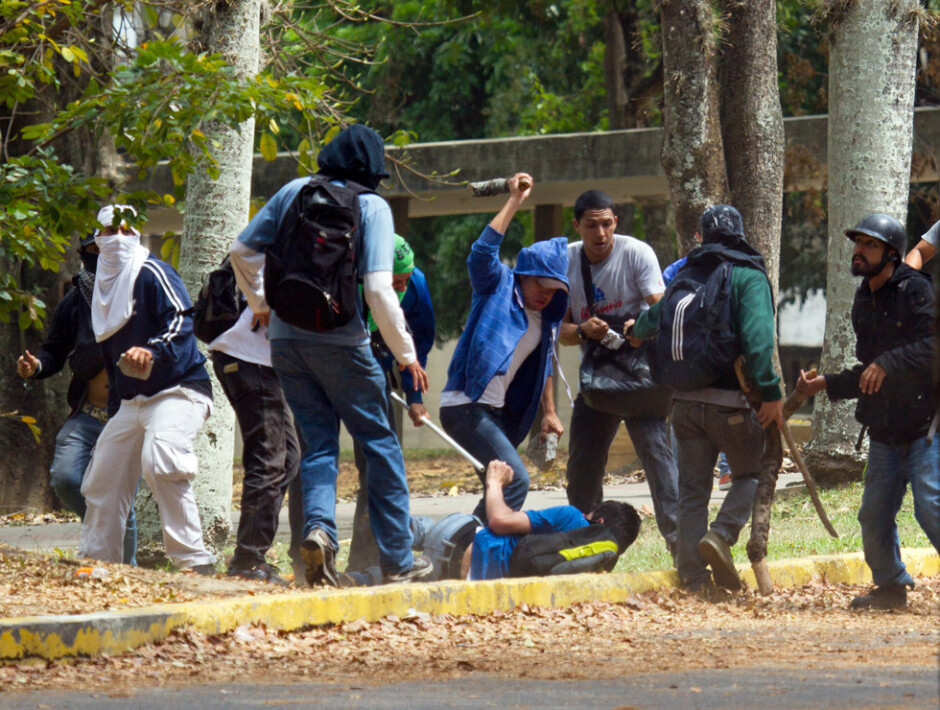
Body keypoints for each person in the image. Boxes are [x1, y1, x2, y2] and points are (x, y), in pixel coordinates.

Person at [229, 124, 432, 587]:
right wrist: (405, 354)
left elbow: (241, 250)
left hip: (285, 341)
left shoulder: (293, 191)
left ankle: (320, 532)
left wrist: (262, 305)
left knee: (319, 445)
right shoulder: (372, 206)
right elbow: (380, 289)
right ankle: (400, 559)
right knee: (379, 445)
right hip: (342, 342)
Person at [627, 204, 782, 592]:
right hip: (730, 405)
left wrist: (633, 330)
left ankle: (694, 579)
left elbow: (648, 324)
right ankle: (722, 534)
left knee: (693, 491)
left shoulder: (684, 277)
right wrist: (771, 395)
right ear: (741, 235)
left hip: (682, 406)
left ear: (700, 238)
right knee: (751, 473)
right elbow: (760, 344)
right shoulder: (747, 275)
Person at [798, 213, 938, 610]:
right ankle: (891, 587)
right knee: (873, 515)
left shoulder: (916, 291)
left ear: (892, 254)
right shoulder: (863, 298)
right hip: (883, 430)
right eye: (857, 243)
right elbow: (869, 370)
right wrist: (823, 383)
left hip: (926, 426)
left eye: (869, 245)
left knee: (930, 508)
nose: (858, 251)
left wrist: (889, 362)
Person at [78, 204, 217, 573]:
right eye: (111, 231)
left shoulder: (153, 270)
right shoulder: (101, 292)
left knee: (163, 458)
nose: (120, 239)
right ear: (97, 239)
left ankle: (194, 561)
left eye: (127, 231)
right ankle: (98, 561)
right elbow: (110, 359)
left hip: (179, 390)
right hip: (131, 401)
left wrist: (151, 349)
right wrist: (113, 413)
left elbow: (180, 321)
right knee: (102, 477)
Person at [438, 173, 568, 523]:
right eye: (540, 284)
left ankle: (462, 551)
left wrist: (551, 412)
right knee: (516, 482)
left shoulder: (545, 320)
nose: (545, 294)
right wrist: (514, 200)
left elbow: (546, 366)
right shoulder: (496, 285)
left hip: (497, 415)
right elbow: (481, 253)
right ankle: (471, 550)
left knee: (496, 488)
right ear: (523, 274)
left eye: (554, 290)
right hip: (465, 405)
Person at [558, 189, 679, 556]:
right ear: (577, 225)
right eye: (591, 225)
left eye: (607, 224)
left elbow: (664, 313)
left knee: (658, 459)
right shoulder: (565, 261)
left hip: (642, 382)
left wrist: (639, 328)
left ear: (616, 223)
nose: (600, 233)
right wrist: (583, 331)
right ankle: (582, 542)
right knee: (582, 466)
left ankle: (682, 546)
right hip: (598, 385)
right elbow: (559, 333)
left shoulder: (636, 253)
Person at [16, 233, 137, 565]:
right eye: (91, 249)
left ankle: (129, 573)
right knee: (66, 478)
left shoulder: (140, 289)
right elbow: (53, 350)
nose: (98, 255)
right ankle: (103, 530)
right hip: (87, 413)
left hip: (128, 415)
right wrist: (36, 366)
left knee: (120, 498)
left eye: (105, 248)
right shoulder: (75, 299)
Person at [348, 234, 436, 572]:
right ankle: (308, 553)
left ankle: (366, 560)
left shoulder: (416, 284)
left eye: (405, 281)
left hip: (378, 377)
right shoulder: (350, 281)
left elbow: (420, 341)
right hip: (338, 368)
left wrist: (414, 397)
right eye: (393, 283)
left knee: (378, 468)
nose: (401, 288)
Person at [208, 291, 300, 585]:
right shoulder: (294, 245)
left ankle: (250, 556)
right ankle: (248, 562)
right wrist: (262, 299)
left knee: (287, 459)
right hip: (248, 358)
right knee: (269, 458)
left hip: (258, 361)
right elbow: (240, 252)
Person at [462, 460, 641, 581]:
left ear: (599, 521)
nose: (585, 516)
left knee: (449, 526)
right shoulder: (602, 566)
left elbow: (499, 520)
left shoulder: (572, 517)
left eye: (590, 514)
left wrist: (494, 482)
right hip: (512, 586)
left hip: (480, 556)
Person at [662, 234, 732, 492]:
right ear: (698, 236)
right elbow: (660, 306)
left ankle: (726, 470)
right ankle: (685, 477)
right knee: (685, 411)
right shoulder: (678, 269)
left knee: (721, 407)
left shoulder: (736, 269)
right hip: (687, 354)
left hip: (712, 353)